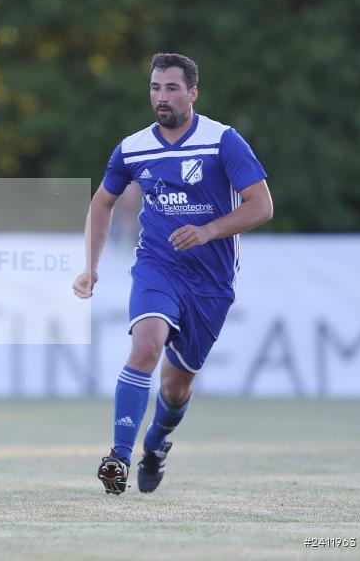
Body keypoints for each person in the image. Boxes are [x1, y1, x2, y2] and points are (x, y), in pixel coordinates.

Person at [72, 53, 273, 495]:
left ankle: (157, 443)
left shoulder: (223, 141)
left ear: (193, 92)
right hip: (157, 268)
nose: (161, 98)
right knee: (145, 346)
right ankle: (119, 458)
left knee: (176, 387)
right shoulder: (132, 147)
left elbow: (262, 205)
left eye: (171, 89)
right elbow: (102, 202)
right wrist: (91, 267)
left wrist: (208, 231)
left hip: (211, 284)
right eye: (155, 88)